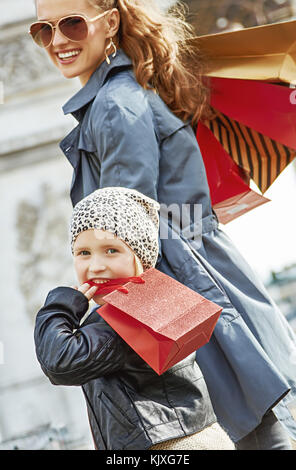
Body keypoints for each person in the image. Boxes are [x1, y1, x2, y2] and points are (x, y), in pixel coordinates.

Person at [30, 0, 296, 450]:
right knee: (257, 428)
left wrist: (82, 333)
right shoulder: (125, 94)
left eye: (72, 24)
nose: (58, 41)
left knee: (255, 433)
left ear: (110, 21)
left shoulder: (115, 105)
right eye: (43, 30)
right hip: (193, 286)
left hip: (176, 292)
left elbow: (123, 231)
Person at [34, 186, 235, 450]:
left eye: (111, 251)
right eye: (83, 253)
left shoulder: (128, 314)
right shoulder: (154, 300)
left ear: (140, 255)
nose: (95, 266)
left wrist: (61, 306)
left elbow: (60, 362)